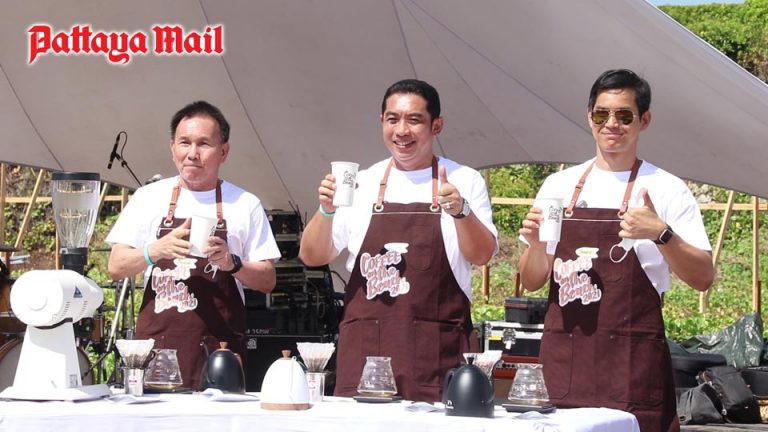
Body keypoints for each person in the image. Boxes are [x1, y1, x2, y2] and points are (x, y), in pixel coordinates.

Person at [517, 69, 714, 432]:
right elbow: (531, 281)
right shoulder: (558, 186)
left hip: (631, 367)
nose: (611, 124)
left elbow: (703, 277)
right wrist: (535, 246)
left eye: (624, 116)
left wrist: (662, 234)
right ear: (588, 116)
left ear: (644, 121)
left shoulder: (666, 188)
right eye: (601, 114)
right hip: (565, 363)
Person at [299, 79, 498, 402]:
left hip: (437, 355)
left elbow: (482, 254)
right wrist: (326, 209)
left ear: (436, 126)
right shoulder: (361, 183)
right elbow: (312, 255)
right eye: (393, 119)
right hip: (365, 352)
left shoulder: (464, 180)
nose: (402, 131)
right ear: (382, 122)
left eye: (414, 120)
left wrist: (461, 211)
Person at [107, 101, 280, 390]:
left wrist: (232, 263)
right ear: (172, 147)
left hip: (221, 352)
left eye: (204, 144)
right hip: (158, 350)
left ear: (224, 151)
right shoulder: (148, 197)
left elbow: (268, 280)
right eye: (184, 142)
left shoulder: (245, 204)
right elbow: (116, 266)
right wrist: (155, 250)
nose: (192, 153)